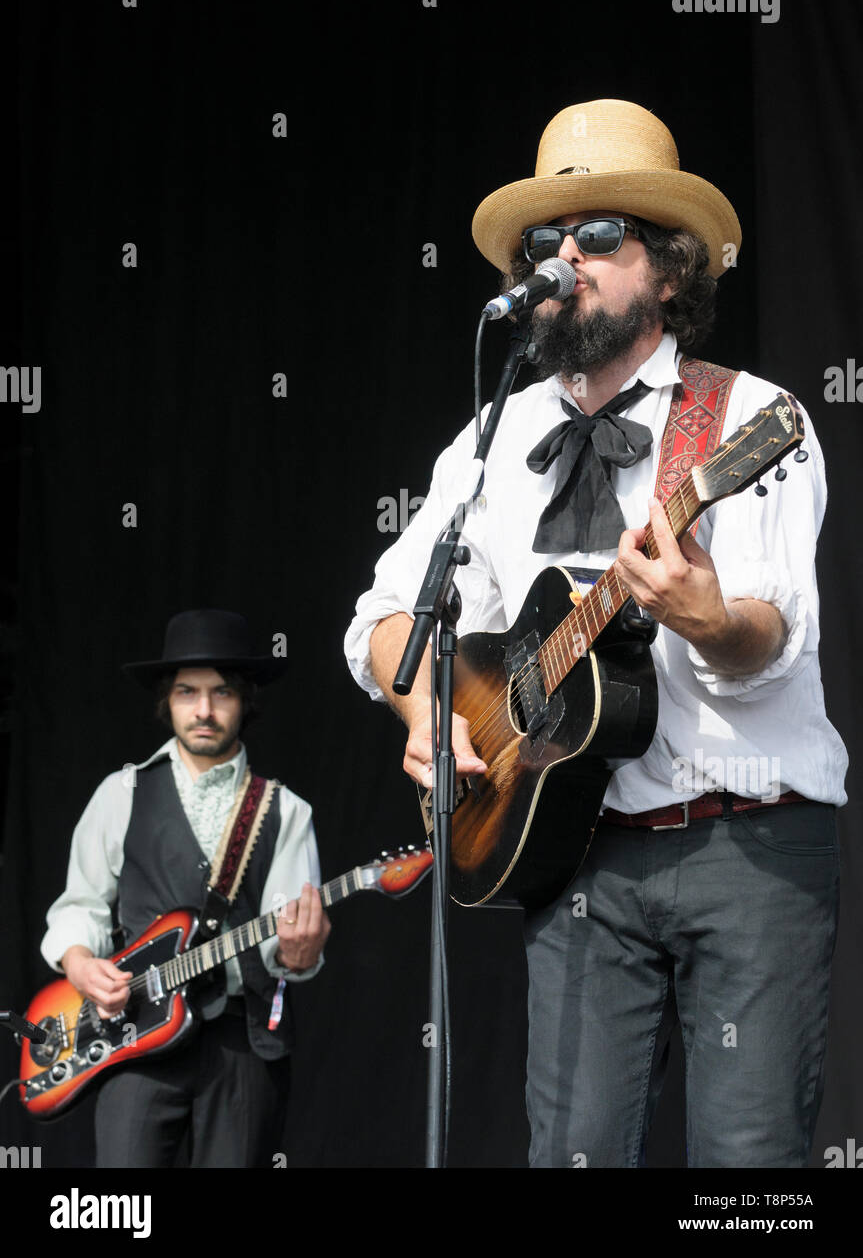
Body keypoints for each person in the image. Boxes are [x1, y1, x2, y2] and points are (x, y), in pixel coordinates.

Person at [344, 99, 847, 1168]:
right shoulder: (496, 435)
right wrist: (427, 710)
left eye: (597, 236)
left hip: (746, 842)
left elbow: (777, 639)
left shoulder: (754, 416)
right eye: (543, 243)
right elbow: (383, 615)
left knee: (746, 1168)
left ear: (667, 271)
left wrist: (706, 619)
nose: (562, 258)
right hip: (571, 850)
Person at [42, 608, 330, 1168]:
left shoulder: (286, 810)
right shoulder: (119, 793)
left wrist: (299, 953)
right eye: (186, 692)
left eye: (221, 692)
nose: (203, 710)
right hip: (134, 1037)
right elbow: (79, 906)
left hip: (241, 1044)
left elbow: (285, 942)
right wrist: (79, 964)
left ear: (245, 700)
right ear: (166, 701)